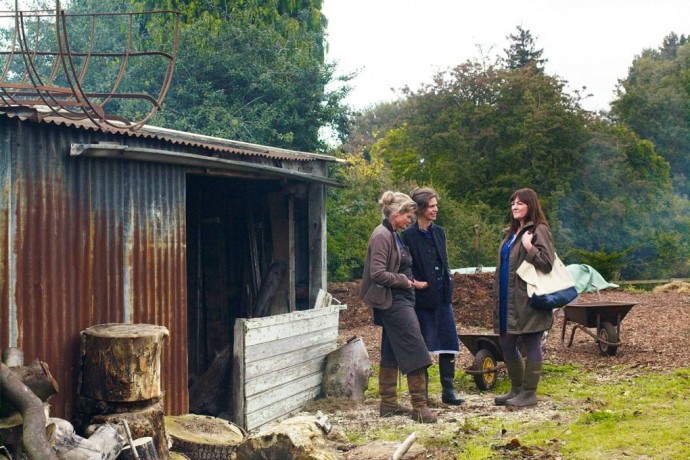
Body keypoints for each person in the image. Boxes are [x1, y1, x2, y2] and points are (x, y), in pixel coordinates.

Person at [359, 191, 437, 423]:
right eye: (408, 216)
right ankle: (420, 407)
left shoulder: (392, 233)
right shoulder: (382, 235)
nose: (410, 221)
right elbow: (377, 273)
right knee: (416, 348)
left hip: (400, 299)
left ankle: (389, 403)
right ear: (396, 213)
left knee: (391, 349)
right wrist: (407, 282)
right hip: (393, 300)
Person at [493, 188, 555, 408]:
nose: (515, 207)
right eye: (512, 204)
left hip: (528, 297)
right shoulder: (510, 234)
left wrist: (530, 247)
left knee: (531, 340)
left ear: (531, 205)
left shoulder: (539, 230)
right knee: (506, 341)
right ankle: (516, 388)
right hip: (506, 298)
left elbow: (547, 264)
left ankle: (529, 392)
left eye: (520, 203)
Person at [402, 188, 464, 405]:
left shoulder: (439, 232)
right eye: (431, 206)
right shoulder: (407, 235)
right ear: (420, 209)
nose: (436, 209)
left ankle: (448, 391)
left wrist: (447, 285)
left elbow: (443, 262)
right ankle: (423, 395)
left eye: (436, 205)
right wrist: (416, 284)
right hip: (422, 299)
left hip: (442, 296)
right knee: (423, 346)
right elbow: (405, 266)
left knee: (448, 342)